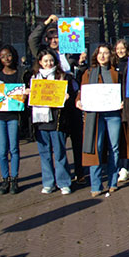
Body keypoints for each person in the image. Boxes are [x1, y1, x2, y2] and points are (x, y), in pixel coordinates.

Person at [29, 14, 87, 184]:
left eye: (57, 37)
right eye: (51, 37)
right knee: (55, 141)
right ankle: (55, 178)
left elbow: (80, 71)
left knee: (77, 137)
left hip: (69, 98)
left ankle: (80, 171)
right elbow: (32, 39)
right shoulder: (43, 54)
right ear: (47, 39)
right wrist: (47, 23)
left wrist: (81, 62)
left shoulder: (71, 51)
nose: (55, 40)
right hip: (52, 103)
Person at [77, 44, 129, 197]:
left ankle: (113, 181)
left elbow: (123, 90)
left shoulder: (116, 73)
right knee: (96, 146)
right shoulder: (88, 73)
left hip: (113, 114)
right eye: (100, 53)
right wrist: (78, 101)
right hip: (95, 115)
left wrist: (123, 102)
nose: (102, 56)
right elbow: (82, 91)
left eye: (106, 53)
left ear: (110, 55)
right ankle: (96, 184)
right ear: (96, 55)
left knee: (114, 147)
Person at [29, 49, 75, 195]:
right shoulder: (34, 78)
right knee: (44, 153)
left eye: (51, 60)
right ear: (40, 62)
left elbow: (74, 95)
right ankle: (48, 182)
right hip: (40, 121)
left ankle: (63, 182)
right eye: (45, 61)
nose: (48, 64)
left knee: (60, 152)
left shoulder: (63, 77)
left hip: (57, 120)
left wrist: (68, 97)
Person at [0, 45, 28, 195]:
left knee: (14, 149)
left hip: (13, 116)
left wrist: (25, 95)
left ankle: (14, 178)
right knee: (2, 150)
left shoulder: (21, 73)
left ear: (14, 56)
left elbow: (27, 90)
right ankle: (5, 179)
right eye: (3, 56)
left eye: (9, 55)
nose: (6, 59)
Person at [113, 39, 129, 183]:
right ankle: (122, 167)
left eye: (123, 48)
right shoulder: (112, 66)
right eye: (118, 48)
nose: (120, 51)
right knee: (120, 139)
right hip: (114, 106)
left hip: (128, 105)